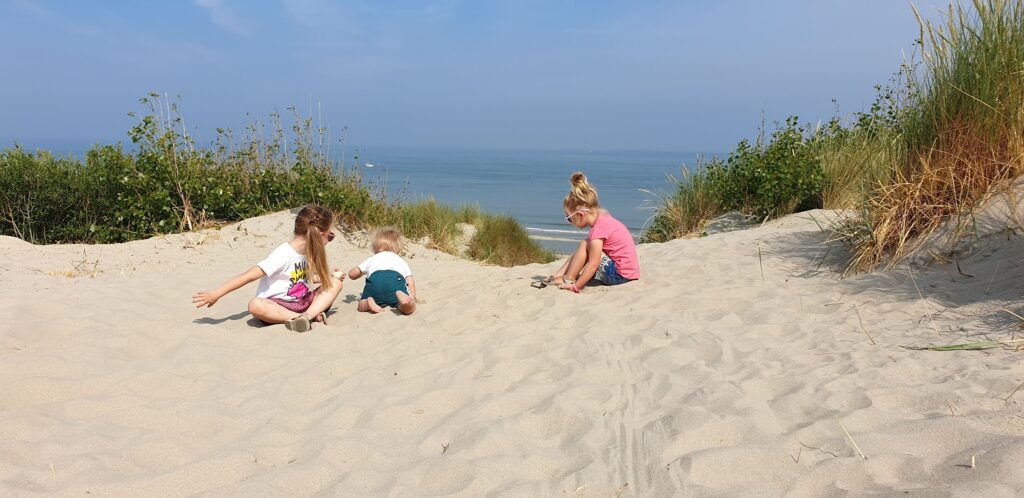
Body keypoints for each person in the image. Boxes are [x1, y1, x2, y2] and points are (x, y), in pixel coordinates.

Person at [192, 204, 345, 332]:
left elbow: (303, 278)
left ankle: (306, 318)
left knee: (335, 283)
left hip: (303, 302)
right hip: (278, 307)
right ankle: (304, 318)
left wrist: (326, 277)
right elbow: (248, 276)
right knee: (255, 305)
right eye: (330, 236)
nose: (330, 240)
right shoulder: (283, 254)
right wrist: (215, 294)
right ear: (319, 235)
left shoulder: (307, 253)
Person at [548, 171, 640, 293]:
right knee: (585, 245)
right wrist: (556, 275)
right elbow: (577, 257)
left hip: (619, 275)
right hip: (629, 272)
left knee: (585, 244)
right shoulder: (604, 217)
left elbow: (593, 264)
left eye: (569, 218)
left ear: (580, 214)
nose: (569, 222)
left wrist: (576, 287)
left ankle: (569, 279)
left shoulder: (598, 231)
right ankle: (561, 277)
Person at [348, 227, 417, 315]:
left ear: (374, 248)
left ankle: (367, 303)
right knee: (407, 308)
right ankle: (405, 302)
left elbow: (352, 274)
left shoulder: (372, 259)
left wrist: (359, 274)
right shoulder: (401, 261)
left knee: (360, 305)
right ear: (398, 249)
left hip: (375, 281)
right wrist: (412, 297)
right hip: (395, 281)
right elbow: (411, 283)